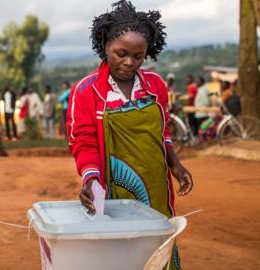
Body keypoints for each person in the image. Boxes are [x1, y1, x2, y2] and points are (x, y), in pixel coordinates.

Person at [69, 2, 193, 270]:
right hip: (112, 186)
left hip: (155, 183)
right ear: (105, 46)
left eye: (138, 56)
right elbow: (83, 140)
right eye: (120, 53)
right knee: (119, 248)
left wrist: (175, 164)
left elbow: (162, 131)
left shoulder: (155, 86)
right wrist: (90, 178)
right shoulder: (87, 91)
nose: (129, 63)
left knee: (158, 240)